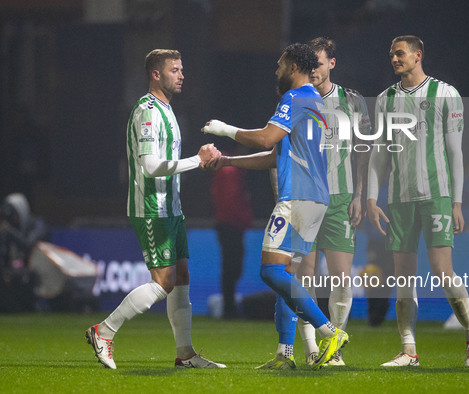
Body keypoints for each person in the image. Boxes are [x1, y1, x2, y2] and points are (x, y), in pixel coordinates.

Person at [202, 43, 349, 370]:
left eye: (280, 65)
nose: (276, 71)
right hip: (315, 199)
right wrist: (227, 161)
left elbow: (267, 139)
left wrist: (226, 130)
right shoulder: (314, 103)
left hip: (296, 197)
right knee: (288, 274)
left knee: (270, 271)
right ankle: (285, 355)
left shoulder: (294, 98)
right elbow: (273, 156)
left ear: (295, 66)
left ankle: (329, 331)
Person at [86, 49, 225, 370]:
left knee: (182, 277)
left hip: (171, 209)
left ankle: (186, 354)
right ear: (156, 74)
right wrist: (198, 160)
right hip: (151, 208)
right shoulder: (147, 112)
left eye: (182, 69)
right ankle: (103, 331)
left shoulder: (167, 110)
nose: (182, 75)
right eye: (175, 70)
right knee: (163, 282)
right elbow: (149, 167)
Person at [367, 36, 469, 367]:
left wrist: (457, 202)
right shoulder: (385, 99)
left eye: (400, 53)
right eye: (391, 53)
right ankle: (409, 350)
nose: (394, 58)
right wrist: (372, 197)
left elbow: (454, 152)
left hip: (436, 196)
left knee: (442, 271)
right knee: (403, 277)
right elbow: (379, 151)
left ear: (418, 56)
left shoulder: (446, 94)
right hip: (400, 200)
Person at [292, 37, 371, 366]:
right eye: (309, 65)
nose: (313, 70)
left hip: (341, 198)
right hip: (305, 198)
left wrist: (360, 195)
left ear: (332, 64)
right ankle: (312, 349)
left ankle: (334, 347)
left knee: (341, 278)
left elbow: (364, 149)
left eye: (319, 63)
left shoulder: (352, 101)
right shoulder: (295, 100)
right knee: (304, 277)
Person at [210, 149, 253, 319]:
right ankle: (229, 308)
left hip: (229, 223)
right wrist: (242, 218)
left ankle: (229, 307)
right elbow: (230, 200)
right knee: (231, 267)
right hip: (230, 224)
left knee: (231, 267)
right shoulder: (229, 171)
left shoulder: (228, 171)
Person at [0, 193, 49, 312]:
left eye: (14, 215)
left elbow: (29, 245)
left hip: (38, 272)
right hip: (15, 271)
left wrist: (9, 231)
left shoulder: (38, 225)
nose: (12, 219)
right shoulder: (10, 230)